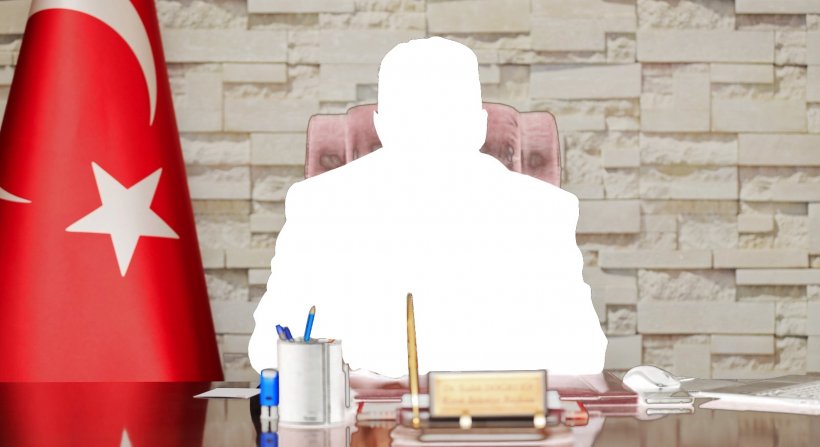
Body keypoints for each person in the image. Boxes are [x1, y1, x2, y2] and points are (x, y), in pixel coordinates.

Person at [248, 37, 607, 378]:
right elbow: (267, 347)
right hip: (359, 418)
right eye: (416, 120)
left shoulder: (541, 212)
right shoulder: (320, 206)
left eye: (443, 119)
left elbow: (583, 352)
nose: (430, 139)